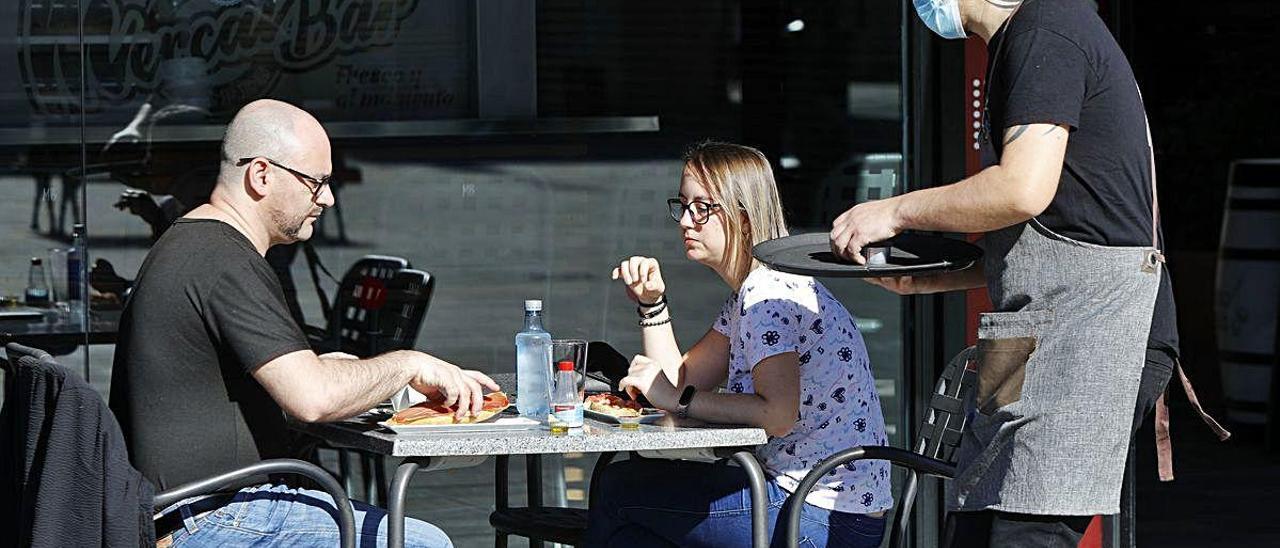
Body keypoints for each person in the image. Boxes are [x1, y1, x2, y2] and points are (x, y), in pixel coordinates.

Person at [828, 1, 1223, 546]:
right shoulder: (1020, 40)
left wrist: (894, 210)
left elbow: (1021, 189)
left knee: (1024, 534)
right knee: (972, 529)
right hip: (1031, 330)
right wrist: (936, 276)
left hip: (1094, 331)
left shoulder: (1049, 27)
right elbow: (1067, 222)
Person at [108, 99, 495, 548]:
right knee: (426, 545)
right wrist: (409, 365)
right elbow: (311, 400)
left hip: (190, 510)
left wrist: (326, 368)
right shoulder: (224, 260)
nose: (328, 198)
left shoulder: (196, 243)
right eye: (317, 182)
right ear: (261, 175)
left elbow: (277, 384)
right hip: (216, 514)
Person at [584, 142, 891, 547]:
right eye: (683, 205)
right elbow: (680, 379)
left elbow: (777, 414)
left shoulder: (766, 294)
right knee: (635, 525)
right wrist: (651, 302)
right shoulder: (754, 290)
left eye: (703, 208)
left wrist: (679, 401)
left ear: (744, 219)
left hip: (817, 516)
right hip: (828, 508)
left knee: (619, 490)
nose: (686, 222)